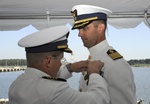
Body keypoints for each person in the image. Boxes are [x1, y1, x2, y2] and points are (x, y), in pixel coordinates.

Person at [8, 25, 110, 104]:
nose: (60, 64)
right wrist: (94, 73)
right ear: (48, 61)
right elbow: (99, 100)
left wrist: (70, 68)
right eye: (61, 60)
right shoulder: (55, 90)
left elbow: (42, 80)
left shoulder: (16, 85)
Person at [71, 5, 137, 104]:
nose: (79, 34)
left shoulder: (115, 63)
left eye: (84, 28)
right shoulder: (94, 56)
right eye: (78, 29)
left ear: (100, 28)